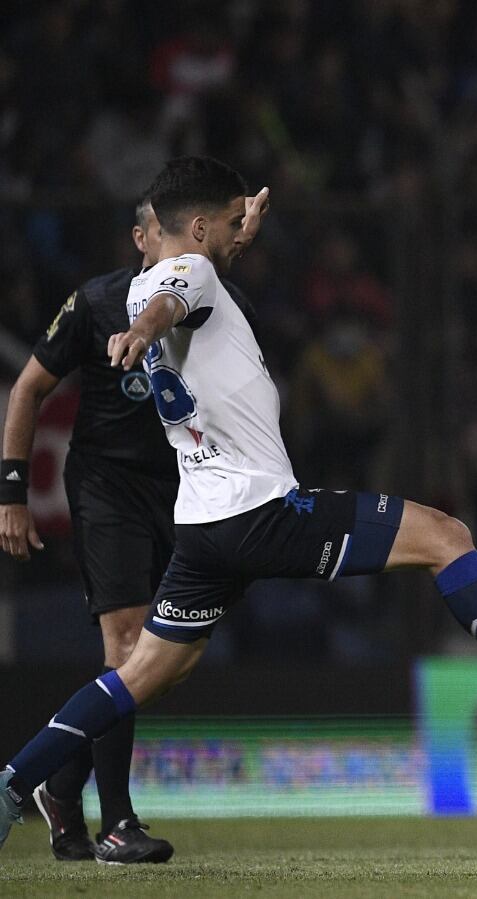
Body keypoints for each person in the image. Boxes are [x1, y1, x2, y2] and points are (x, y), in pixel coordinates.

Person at [0, 156, 477, 852]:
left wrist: (208, 257)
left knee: (139, 673)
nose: (235, 236)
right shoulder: (185, 279)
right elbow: (177, 296)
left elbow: (179, 289)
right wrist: (149, 328)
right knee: (445, 535)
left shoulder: (146, 286)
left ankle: (12, 785)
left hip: (203, 525)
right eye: (225, 224)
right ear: (196, 226)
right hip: (262, 514)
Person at [0, 199, 233, 864]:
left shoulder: (206, 302)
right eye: (165, 231)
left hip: (184, 492)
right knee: (130, 648)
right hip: (108, 488)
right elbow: (27, 389)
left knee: (165, 665)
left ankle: (60, 780)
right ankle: (117, 822)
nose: (181, 243)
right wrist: (10, 493)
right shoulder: (98, 302)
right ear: (140, 238)